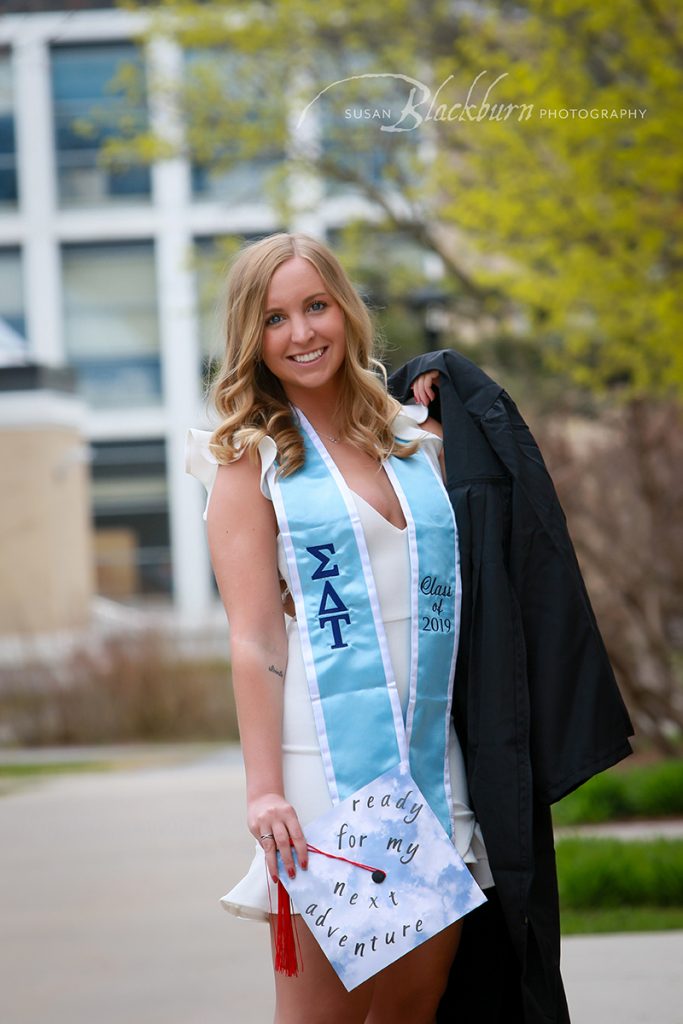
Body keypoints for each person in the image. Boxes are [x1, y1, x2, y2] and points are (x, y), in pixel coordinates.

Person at [185, 231, 495, 1024]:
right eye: (275, 318)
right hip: (323, 766)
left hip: (430, 757)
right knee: (322, 1017)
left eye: (315, 306)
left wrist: (447, 384)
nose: (301, 333)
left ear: (346, 310)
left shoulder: (411, 439)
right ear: (250, 338)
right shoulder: (247, 463)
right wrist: (262, 792)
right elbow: (255, 638)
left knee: (412, 1008)